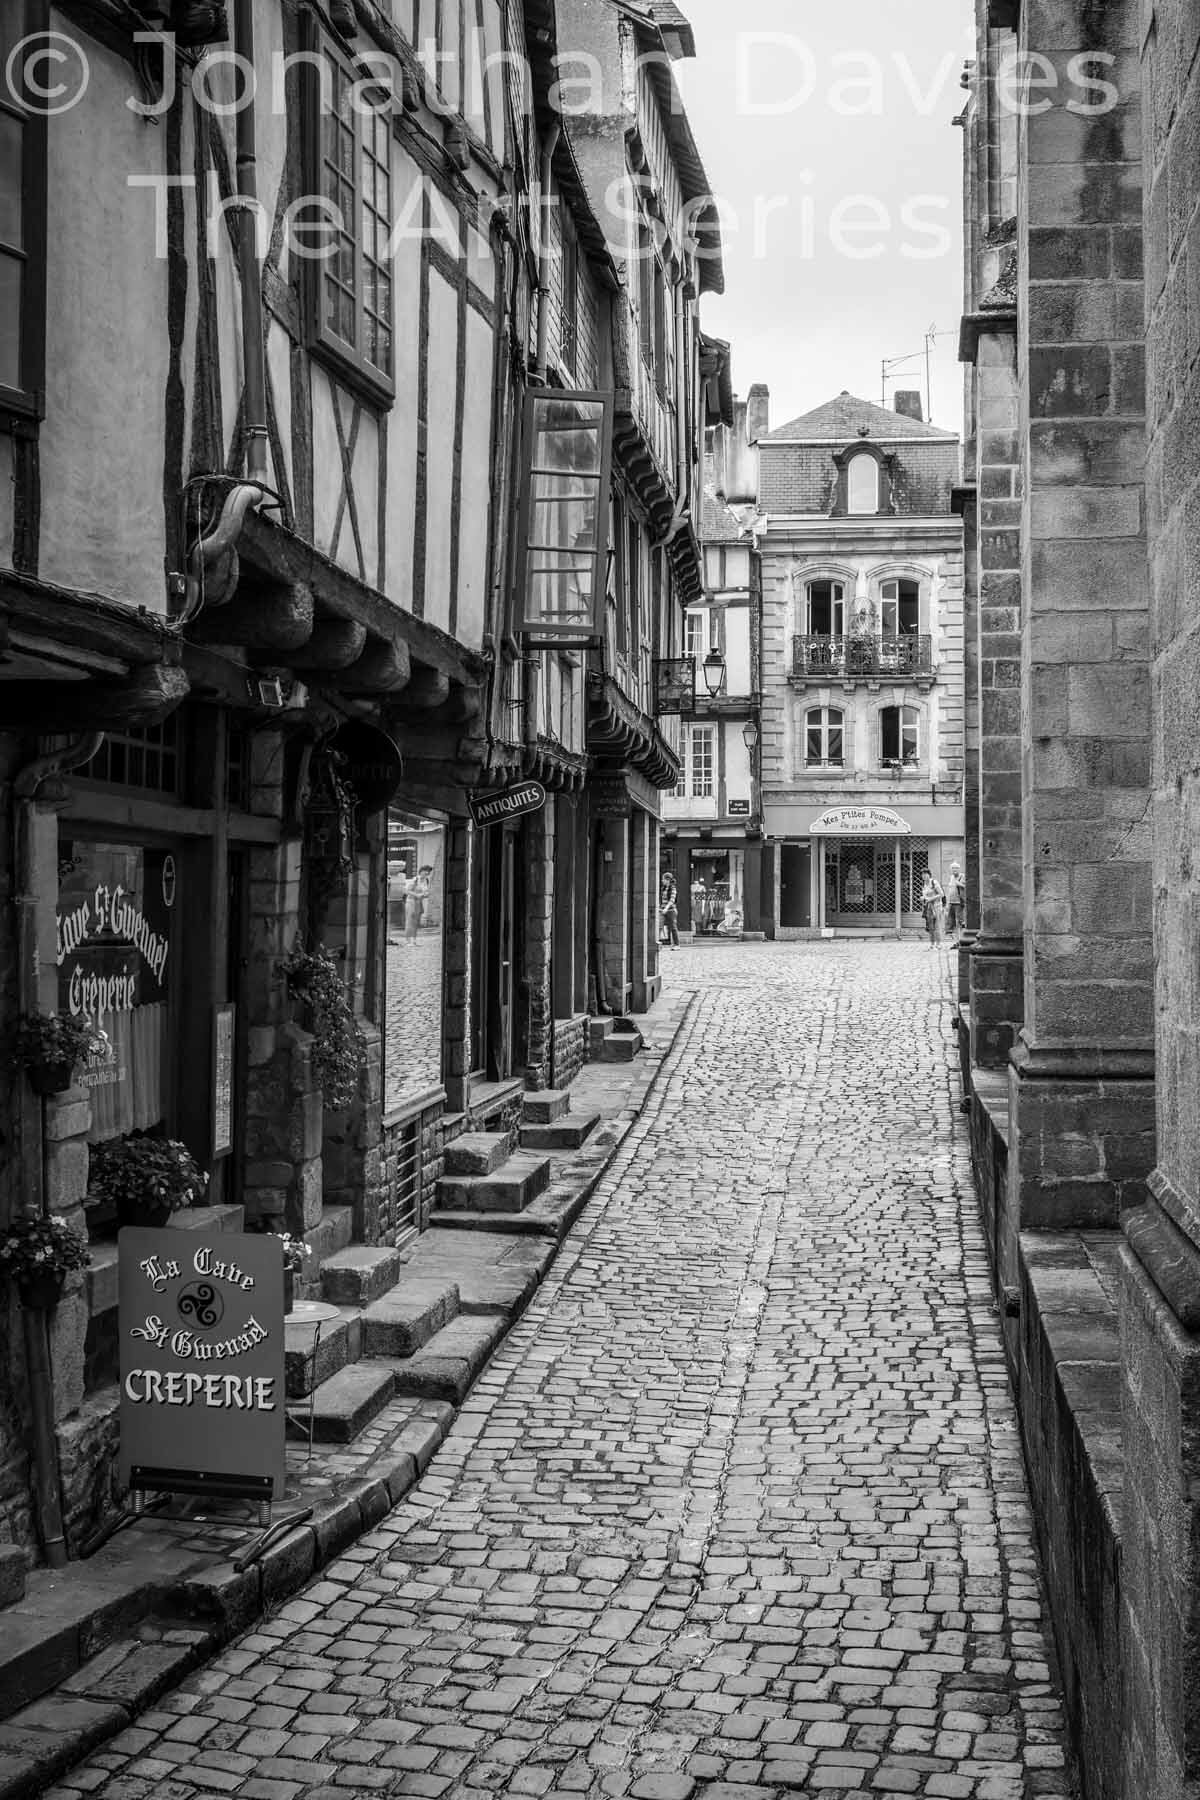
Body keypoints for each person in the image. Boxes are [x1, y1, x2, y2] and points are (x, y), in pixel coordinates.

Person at [404, 864, 432, 940]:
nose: (427, 874)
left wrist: (426, 894)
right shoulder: (415, 879)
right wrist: (416, 895)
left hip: (419, 903)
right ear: (421, 871)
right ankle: (407, 940)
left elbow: (425, 891)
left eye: (428, 872)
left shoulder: (426, 880)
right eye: (426, 872)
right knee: (409, 921)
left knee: (416, 922)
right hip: (411, 901)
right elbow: (406, 891)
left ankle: (414, 940)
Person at [920, 870, 945, 949]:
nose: (924, 876)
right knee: (930, 926)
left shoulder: (934, 882)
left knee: (937, 925)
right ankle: (932, 943)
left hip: (937, 906)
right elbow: (925, 895)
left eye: (926, 874)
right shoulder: (924, 884)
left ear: (929, 875)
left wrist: (931, 899)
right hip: (929, 907)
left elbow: (941, 894)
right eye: (923, 875)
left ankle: (939, 944)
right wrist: (923, 898)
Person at [946, 862, 966, 942]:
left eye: (956, 868)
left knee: (960, 923)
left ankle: (961, 940)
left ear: (959, 869)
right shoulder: (951, 877)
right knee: (952, 923)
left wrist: (959, 883)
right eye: (953, 868)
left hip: (958, 902)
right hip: (951, 902)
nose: (954, 869)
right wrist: (948, 903)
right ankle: (956, 941)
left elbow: (965, 886)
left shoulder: (962, 876)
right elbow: (950, 889)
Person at [660, 872, 679, 949]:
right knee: (659, 926)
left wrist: (666, 908)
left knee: (673, 928)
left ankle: (677, 945)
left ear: (667, 880)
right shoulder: (663, 888)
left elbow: (672, 900)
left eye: (663, 879)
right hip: (663, 910)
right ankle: (658, 943)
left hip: (671, 911)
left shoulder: (673, 888)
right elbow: (662, 899)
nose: (662, 880)